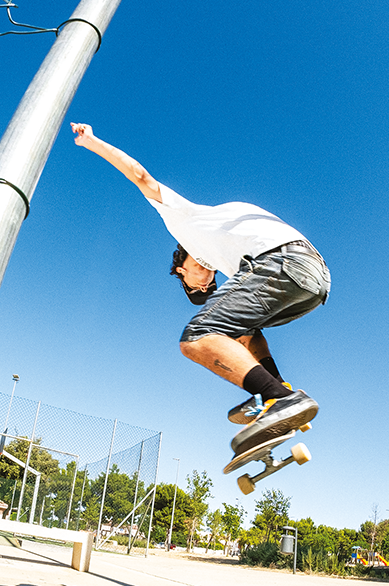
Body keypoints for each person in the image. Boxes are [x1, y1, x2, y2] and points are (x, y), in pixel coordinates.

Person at [71, 122, 330, 454]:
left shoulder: (184, 221)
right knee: (243, 330)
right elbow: (248, 334)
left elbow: (140, 176)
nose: (207, 282)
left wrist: (92, 142)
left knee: (197, 336)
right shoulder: (229, 257)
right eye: (206, 287)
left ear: (181, 269)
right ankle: (276, 390)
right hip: (313, 282)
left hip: (285, 262)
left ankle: (279, 399)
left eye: (199, 285)